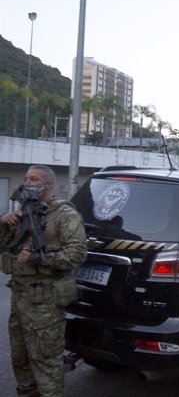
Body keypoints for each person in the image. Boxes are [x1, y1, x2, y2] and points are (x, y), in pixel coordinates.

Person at [1, 165, 87, 397]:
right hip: (19, 295)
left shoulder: (64, 215)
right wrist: (4, 224)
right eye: (27, 178)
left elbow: (77, 254)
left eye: (35, 179)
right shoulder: (21, 213)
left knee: (46, 362)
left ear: (49, 184)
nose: (28, 182)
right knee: (21, 358)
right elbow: (4, 247)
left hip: (46, 298)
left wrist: (40, 258)